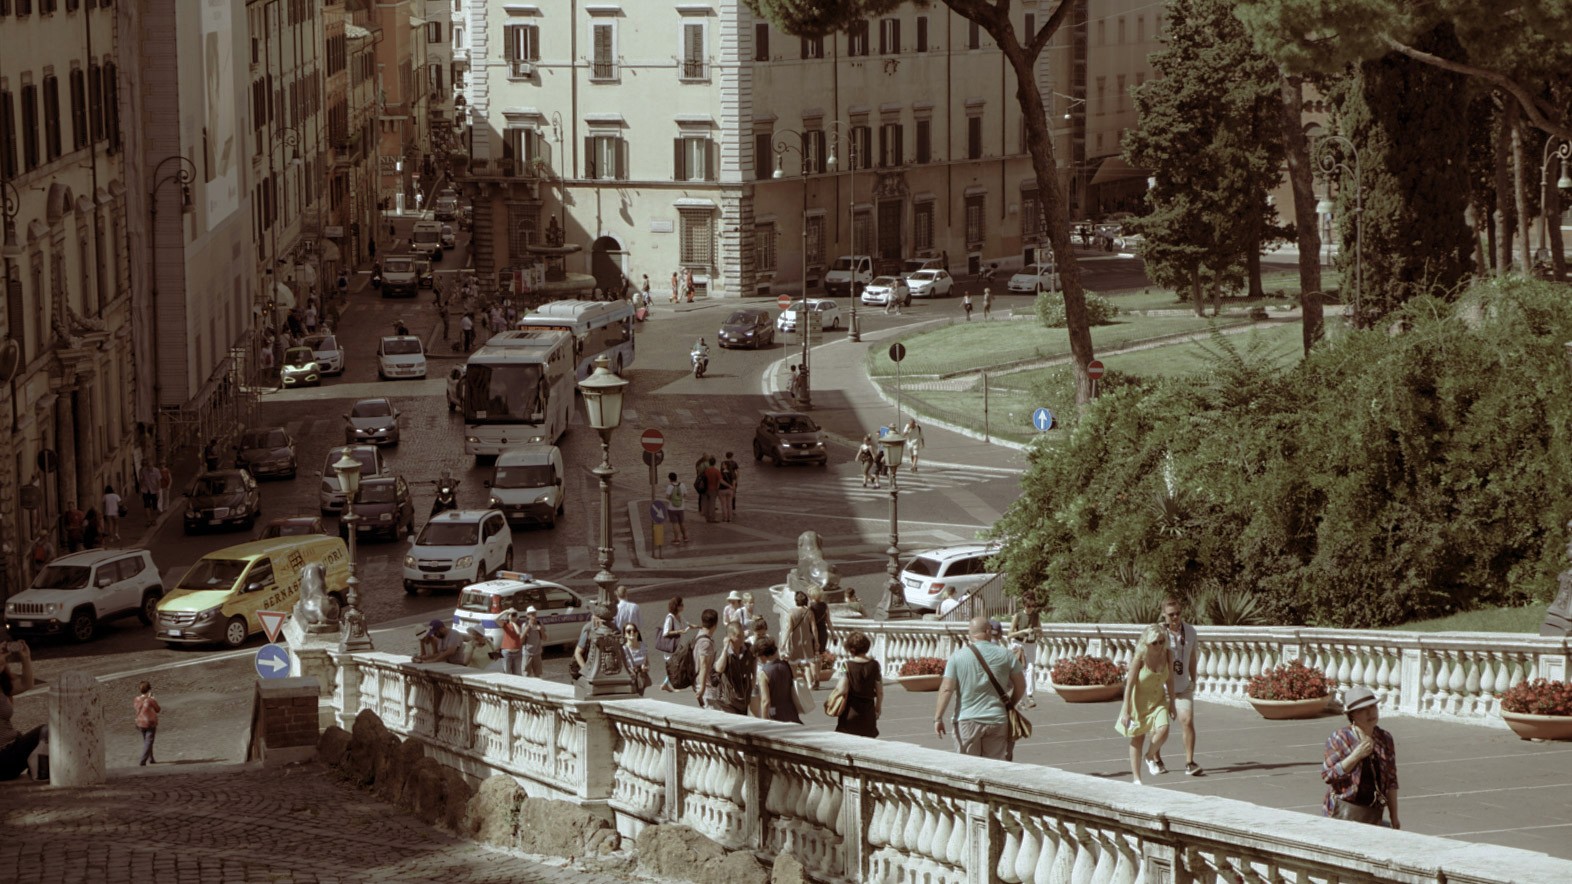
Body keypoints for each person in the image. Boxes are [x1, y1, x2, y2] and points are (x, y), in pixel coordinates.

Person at [933, 616, 1025, 760]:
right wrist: (1010, 704)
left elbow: (946, 689)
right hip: (997, 719)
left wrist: (938, 718)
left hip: (967, 720)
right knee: (994, 768)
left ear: (970, 634)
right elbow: (1021, 685)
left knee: (968, 769)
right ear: (988, 631)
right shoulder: (1006, 655)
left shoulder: (957, 657)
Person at [1321, 686, 1400, 828]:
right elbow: (1328, 775)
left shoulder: (1384, 738)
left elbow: (1391, 781)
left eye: (1373, 706)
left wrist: (1394, 816)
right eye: (1363, 709)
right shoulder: (1340, 738)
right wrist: (1356, 756)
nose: (1370, 712)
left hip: (1372, 813)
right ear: (1352, 715)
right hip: (1343, 811)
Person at [1117, 624, 1177, 785]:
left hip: (1159, 701)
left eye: (1161, 641)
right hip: (1138, 702)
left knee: (1163, 729)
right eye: (1154, 642)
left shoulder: (1168, 655)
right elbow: (1129, 686)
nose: (1158, 645)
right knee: (1137, 739)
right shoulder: (1140, 658)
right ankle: (1137, 778)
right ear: (1146, 643)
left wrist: (1172, 703)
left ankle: (1150, 755)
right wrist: (1125, 710)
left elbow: (1170, 680)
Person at [1150, 597, 1203, 776]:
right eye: (1171, 614)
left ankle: (1190, 762)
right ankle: (1156, 759)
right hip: (1161, 688)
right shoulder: (1157, 633)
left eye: (1178, 613)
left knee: (1187, 721)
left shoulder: (1190, 631)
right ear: (1164, 615)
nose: (1175, 617)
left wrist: (1193, 680)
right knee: (1160, 727)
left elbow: (1193, 658)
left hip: (1183, 687)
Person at [1, 640, 46, 781]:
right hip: (2, 758)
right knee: (48, 731)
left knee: (50, 733)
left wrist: (25, 658)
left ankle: (40, 770)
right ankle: (40, 772)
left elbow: (26, 684)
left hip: (10, 750)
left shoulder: (1, 684)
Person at [829, 630, 883, 737]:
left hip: (851, 710)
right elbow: (880, 692)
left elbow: (842, 689)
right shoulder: (875, 665)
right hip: (868, 711)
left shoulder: (846, 666)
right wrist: (878, 708)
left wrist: (832, 699)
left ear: (851, 649)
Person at [756, 639, 805, 724]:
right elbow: (797, 680)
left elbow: (766, 701)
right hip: (791, 710)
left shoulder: (763, 674)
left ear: (762, 656)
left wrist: (763, 722)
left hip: (774, 712)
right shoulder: (787, 665)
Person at [713, 622, 757, 715]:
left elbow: (755, 659)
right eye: (738, 636)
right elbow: (719, 668)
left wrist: (754, 677)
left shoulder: (748, 649)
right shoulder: (724, 653)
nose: (742, 639)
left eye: (742, 635)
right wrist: (725, 648)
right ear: (730, 637)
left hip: (744, 699)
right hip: (727, 702)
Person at [1007, 597, 1042, 708]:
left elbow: (1041, 632)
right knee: (1021, 671)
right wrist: (1023, 631)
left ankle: (1030, 696)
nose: (1031, 608)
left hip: (1031, 644)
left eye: (1033, 606)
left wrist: (1037, 631)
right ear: (1024, 605)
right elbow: (1009, 634)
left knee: (1030, 669)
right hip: (1019, 644)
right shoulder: (1018, 616)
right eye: (1028, 606)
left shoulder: (1036, 616)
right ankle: (1021, 698)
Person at [782, 590, 820, 690]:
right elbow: (814, 628)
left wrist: (784, 642)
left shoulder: (791, 612)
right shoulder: (809, 612)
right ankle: (812, 680)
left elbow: (789, 628)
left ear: (796, 601)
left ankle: (795, 682)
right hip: (807, 640)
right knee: (809, 661)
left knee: (793, 663)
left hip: (795, 641)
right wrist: (816, 641)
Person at [657, 596, 694, 691]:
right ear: (676, 606)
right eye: (681, 605)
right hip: (672, 647)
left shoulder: (680, 616)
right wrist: (679, 632)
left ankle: (665, 684)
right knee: (675, 666)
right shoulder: (670, 617)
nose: (683, 606)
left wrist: (699, 627)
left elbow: (687, 624)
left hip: (679, 646)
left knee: (676, 666)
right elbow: (666, 632)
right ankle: (670, 685)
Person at [691, 609, 720, 708]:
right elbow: (703, 665)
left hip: (701, 683)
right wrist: (703, 688)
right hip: (706, 686)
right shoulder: (705, 643)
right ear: (715, 624)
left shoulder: (700, 634)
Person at [133, 680, 161, 766]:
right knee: (149, 741)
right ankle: (143, 760)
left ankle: (151, 758)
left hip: (140, 722)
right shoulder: (150, 700)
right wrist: (153, 699)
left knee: (146, 741)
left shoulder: (136, 699)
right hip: (150, 722)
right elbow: (158, 709)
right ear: (149, 689)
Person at [623, 624, 651, 692]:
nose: (632, 632)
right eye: (629, 631)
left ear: (637, 633)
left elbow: (647, 662)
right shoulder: (623, 649)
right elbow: (621, 667)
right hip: (629, 679)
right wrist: (629, 669)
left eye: (634, 630)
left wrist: (646, 667)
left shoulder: (643, 646)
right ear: (625, 634)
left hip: (641, 679)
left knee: (639, 699)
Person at [663, 472, 690, 545]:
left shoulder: (670, 486)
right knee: (682, 522)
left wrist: (673, 499)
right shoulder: (682, 485)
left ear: (669, 479)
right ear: (676, 477)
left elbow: (667, 497)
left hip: (672, 508)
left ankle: (677, 539)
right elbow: (685, 495)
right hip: (681, 507)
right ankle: (685, 537)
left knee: (675, 524)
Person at [716, 458, 736, 522]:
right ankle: (730, 518)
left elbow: (719, 481)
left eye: (723, 464)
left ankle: (724, 518)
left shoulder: (720, 473)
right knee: (729, 505)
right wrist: (733, 489)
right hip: (730, 490)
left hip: (722, 490)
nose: (722, 465)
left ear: (726, 465)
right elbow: (734, 482)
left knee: (723, 505)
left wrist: (717, 489)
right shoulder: (732, 473)